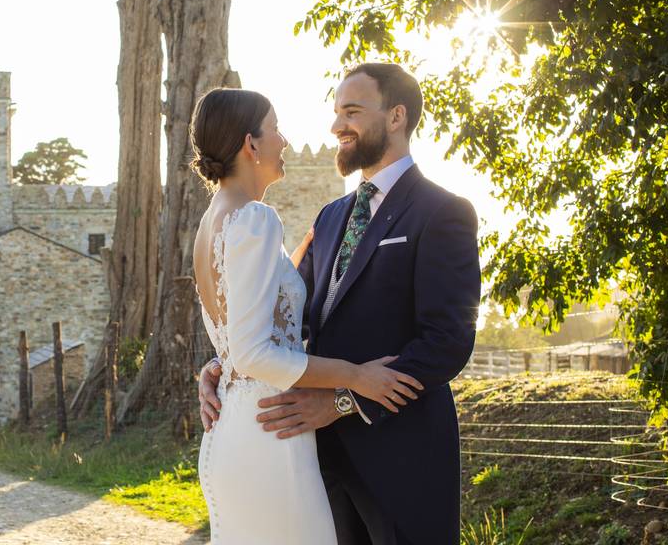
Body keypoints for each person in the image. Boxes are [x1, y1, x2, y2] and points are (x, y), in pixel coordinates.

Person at [199, 64, 482, 544]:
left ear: (396, 116)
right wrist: (224, 364)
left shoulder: (444, 212)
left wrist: (343, 400)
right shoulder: (330, 217)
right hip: (319, 462)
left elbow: (448, 343)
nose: (335, 127)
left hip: (401, 462)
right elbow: (288, 319)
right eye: (335, 113)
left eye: (351, 112)